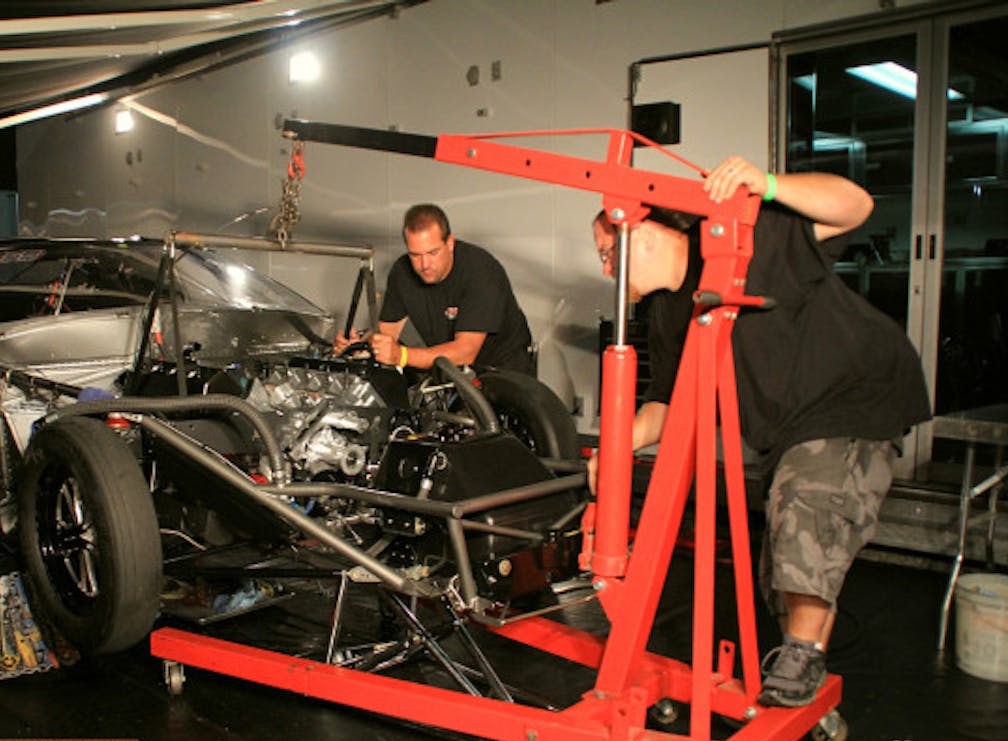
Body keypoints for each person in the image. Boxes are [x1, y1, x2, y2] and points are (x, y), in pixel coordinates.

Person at [589, 157, 931, 708]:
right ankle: (807, 653)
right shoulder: (667, 312)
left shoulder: (743, 239)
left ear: (646, 234)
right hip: (790, 423)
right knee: (789, 554)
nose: (607, 270)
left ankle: (801, 652)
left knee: (806, 504)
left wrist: (768, 185)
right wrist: (615, 448)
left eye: (609, 253)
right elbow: (671, 404)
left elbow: (856, 206)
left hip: (854, 393)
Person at [333, 203, 534, 374]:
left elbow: (466, 351)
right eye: (415, 255)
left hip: (505, 370)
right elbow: (386, 334)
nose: (425, 264)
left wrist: (401, 355)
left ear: (450, 243)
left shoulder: (480, 271)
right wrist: (360, 347)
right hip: (451, 371)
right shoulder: (403, 272)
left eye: (433, 252)